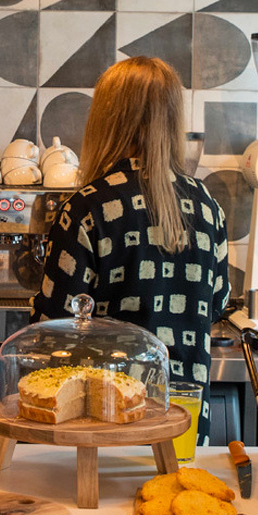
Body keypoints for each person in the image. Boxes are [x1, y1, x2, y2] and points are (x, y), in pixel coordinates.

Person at [30, 56, 230, 394]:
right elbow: (217, 304)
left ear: (106, 120)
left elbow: (54, 325)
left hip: (109, 409)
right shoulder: (207, 205)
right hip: (185, 409)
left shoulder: (88, 206)